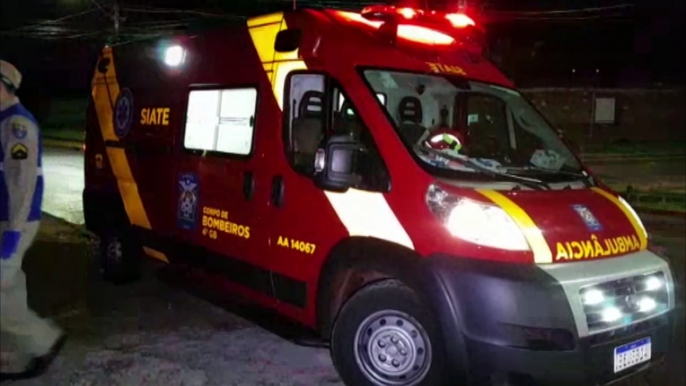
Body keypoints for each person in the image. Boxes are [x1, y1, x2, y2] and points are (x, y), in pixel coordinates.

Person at [0, 59, 65, 380]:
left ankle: (44, 341)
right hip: (4, 218)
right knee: (8, 287)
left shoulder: (17, 125)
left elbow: (22, 182)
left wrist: (13, 230)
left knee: (0, 286)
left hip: (17, 220)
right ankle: (12, 355)